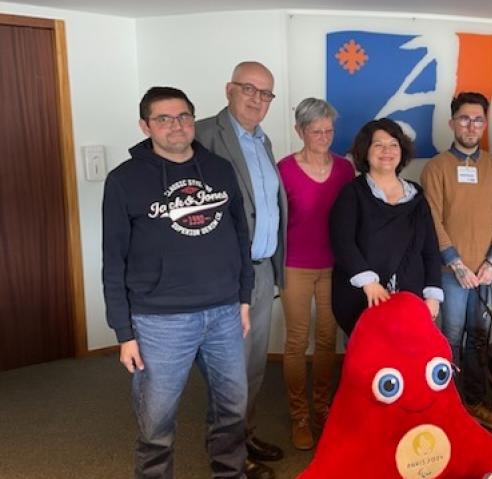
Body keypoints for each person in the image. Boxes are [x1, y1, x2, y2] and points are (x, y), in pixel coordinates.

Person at [102, 86, 253, 478]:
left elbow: (240, 235)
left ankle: (230, 473)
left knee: (232, 409)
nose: (176, 125)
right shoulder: (124, 180)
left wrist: (244, 298)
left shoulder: (219, 170)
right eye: (164, 119)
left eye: (184, 116)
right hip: (159, 321)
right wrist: (124, 333)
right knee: (156, 421)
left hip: (224, 312)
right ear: (145, 126)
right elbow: (113, 260)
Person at [195, 61, 287, 479]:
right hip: (224, 275)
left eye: (265, 93)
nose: (257, 99)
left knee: (252, 366)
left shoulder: (263, 141)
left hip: (261, 271)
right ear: (229, 89)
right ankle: (227, 457)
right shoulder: (202, 135)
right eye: (249, 89)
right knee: (229, 371)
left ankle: (243, 435)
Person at [420, 92, 492, 430]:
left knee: (479, 337)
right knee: (450, 337)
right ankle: (449, 406)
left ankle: (474, 401)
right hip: (451, 273)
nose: (471, 126)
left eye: (477, 120)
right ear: (452, 123)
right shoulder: (436, 168)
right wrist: (456, 263)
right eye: (464, 119)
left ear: (484, 124)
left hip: (486, 273)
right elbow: (431, 220)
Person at [276, 98, 354, 451]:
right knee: (296, 341)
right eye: (316, 131)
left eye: (329, 131)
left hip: (334, 266)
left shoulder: (344, 170)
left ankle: (322, 408)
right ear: (299, 131)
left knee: (326, 339)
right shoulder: (284, 170)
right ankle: (299, 415)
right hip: (295, 265)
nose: (324, 137)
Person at [329, 118, 443, 335]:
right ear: (366, 151)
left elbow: (430, 249)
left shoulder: (416, 196)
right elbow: (343, 243)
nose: (387, 151)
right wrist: (368, 283)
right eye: (378, 145)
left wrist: (432, 296)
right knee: (366, 354)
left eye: (393, 144)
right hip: (363, 298)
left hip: (410, 300)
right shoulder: (352, 193)